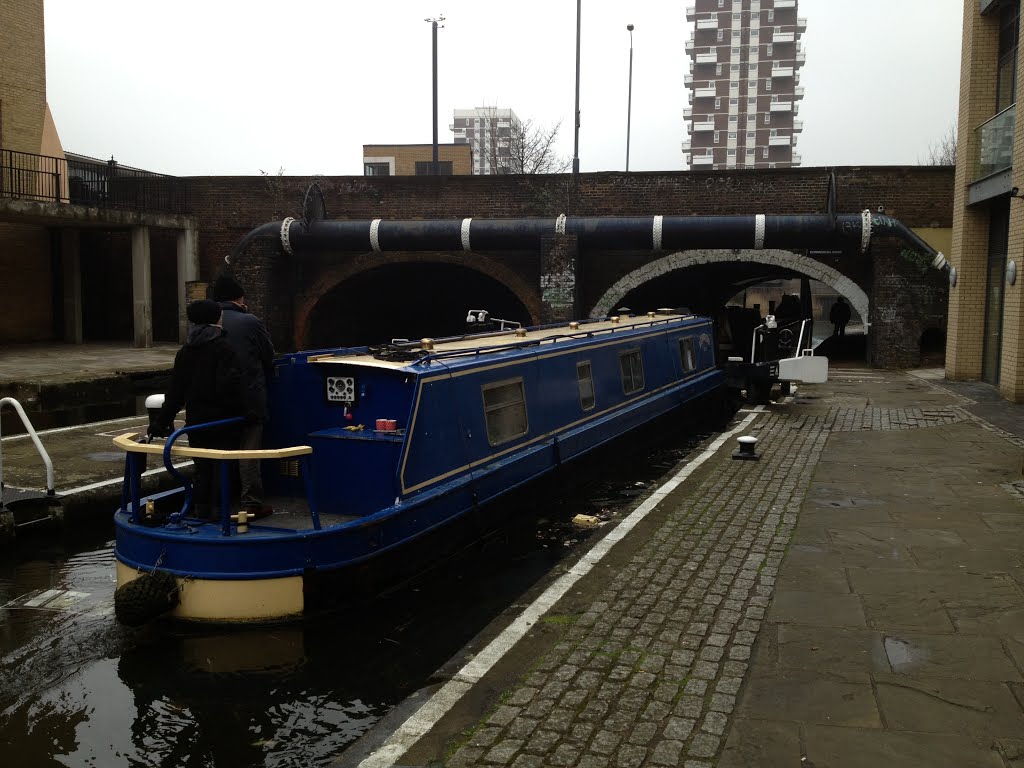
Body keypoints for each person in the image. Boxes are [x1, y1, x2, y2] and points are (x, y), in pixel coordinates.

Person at [150, 300, 250, 520]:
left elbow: (175, 392)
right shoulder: (224, 349)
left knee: (202, 469)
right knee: (222, 468)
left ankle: (201, 510)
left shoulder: (185, 351)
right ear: (216, 320)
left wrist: (160, 420)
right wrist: (248, 412)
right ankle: (219, 514)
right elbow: (231, 386)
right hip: (223, 422)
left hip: (196, 422)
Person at [211, 273, 276, 518]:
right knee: (249, 452)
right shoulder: (250, 321)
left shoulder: (204, 324)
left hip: (216, 402)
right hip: (249, 399)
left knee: (220, 451)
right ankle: (251, 503)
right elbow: (268, 356)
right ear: (239, 298)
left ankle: (216, 502)